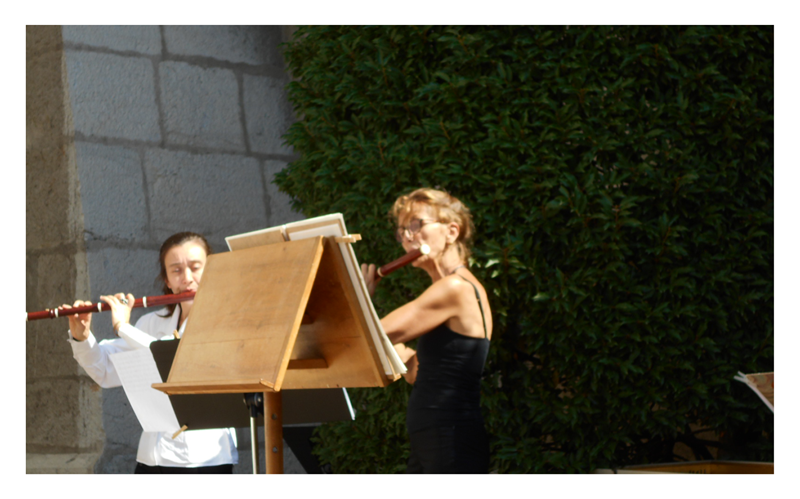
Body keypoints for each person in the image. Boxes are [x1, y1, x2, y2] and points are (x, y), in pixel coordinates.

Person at [62, 232, 238, 474]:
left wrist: (123, 327)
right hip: (152, 458)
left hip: (204, 459)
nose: (187, 278)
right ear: (167, 280)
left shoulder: (225, 320)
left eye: (196, 267)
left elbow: (173, 361)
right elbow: (105, 371)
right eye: (176, 270)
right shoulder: (150, 323)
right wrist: (82, 337)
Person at [361, 188, 492, 474]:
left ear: (451, 232)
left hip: (451, 440)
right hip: (436, 440)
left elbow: (373, 335)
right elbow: (417, 373)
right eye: (402, 232)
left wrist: (359, 299)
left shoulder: (455, 288)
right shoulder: (447, 290)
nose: (408, 237)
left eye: (416, 224)